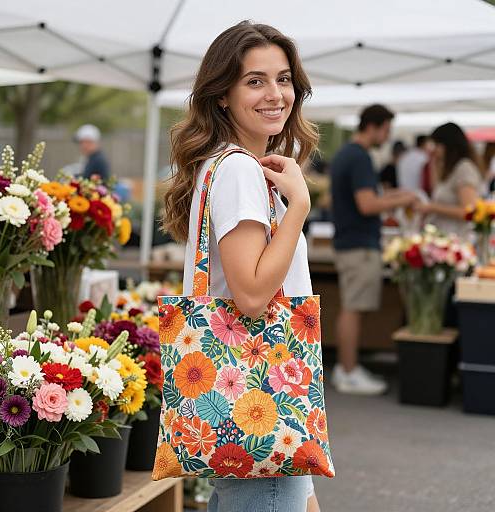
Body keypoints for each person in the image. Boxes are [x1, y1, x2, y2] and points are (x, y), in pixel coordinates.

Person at [162, 21, 321, 512]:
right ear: (223, 95)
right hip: (261, 402)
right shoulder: (236, 170)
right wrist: (298, 207)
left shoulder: (232, 166)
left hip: (264, 412)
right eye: (255, 81)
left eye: (284, 79)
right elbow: (251, 295)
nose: (275, 94)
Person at [330, 104, 416, 395]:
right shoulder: (360, 157)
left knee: (353, 307)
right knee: (353, 309)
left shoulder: (346, 154)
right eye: (387, 129)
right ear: (375, 126)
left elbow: (366, 196)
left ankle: (348, 367)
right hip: (359, 245)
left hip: (349, 242)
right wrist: (401, 201)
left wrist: (394, 195)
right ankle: (348, 370)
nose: (387, 136)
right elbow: (367, 204)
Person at [415, 123, 483, 238]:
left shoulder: (464, 168)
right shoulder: (450, 168)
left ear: (449, 145)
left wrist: (432, 207)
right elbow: (435, 191)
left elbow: (468, 212)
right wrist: (434, 164)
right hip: (444, 238)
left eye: (437, 144)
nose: (434, 149)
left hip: (456, 240)